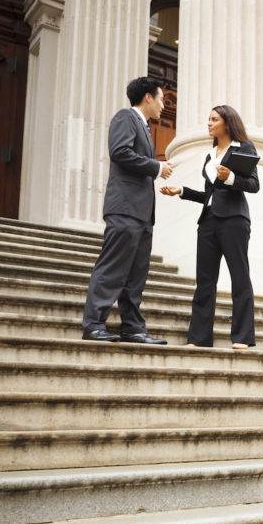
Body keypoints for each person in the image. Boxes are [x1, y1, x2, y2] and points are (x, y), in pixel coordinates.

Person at [81, 77, 173, 344]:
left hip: (142, 213)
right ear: (147, 97)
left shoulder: (144, 127)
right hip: (124, 208)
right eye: (161, 99)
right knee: (112, 268)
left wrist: (154, 166)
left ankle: (132, 328)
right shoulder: (125, 117)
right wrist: (157, 167)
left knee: (136, 274)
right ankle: (94, 324)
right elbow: (119, 152)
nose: (163, 106)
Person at [160, 105, 259, 349]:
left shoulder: (243, 148)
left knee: (240, 276)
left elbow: (254, 184)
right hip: (208, 220)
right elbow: (208, 194)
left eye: (214, 119)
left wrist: (231, 178)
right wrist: (181, 190)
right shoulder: (210, 155)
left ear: (227, 122)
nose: (209, 123)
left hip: (234, 220)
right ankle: (199, 338)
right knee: (205, 281)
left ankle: (243, 338)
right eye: (209, 119)